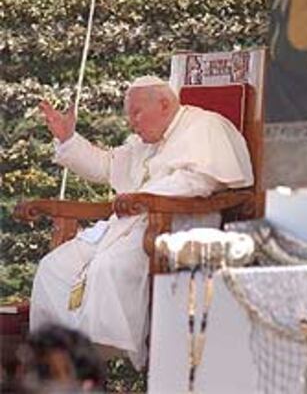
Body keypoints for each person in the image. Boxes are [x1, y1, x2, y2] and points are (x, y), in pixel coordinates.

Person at [30, 76, 253, 370]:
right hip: (126, 224)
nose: (131, 122)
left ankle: (95, 357)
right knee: (54, 267)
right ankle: (55, 361)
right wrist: (68, 138)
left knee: (108, 267)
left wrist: (145, 197)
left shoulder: (204, 126)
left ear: (163, 104)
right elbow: (106, 165)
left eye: (136, 113)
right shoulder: (143, 142)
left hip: (175, 223)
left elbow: (200, 180)